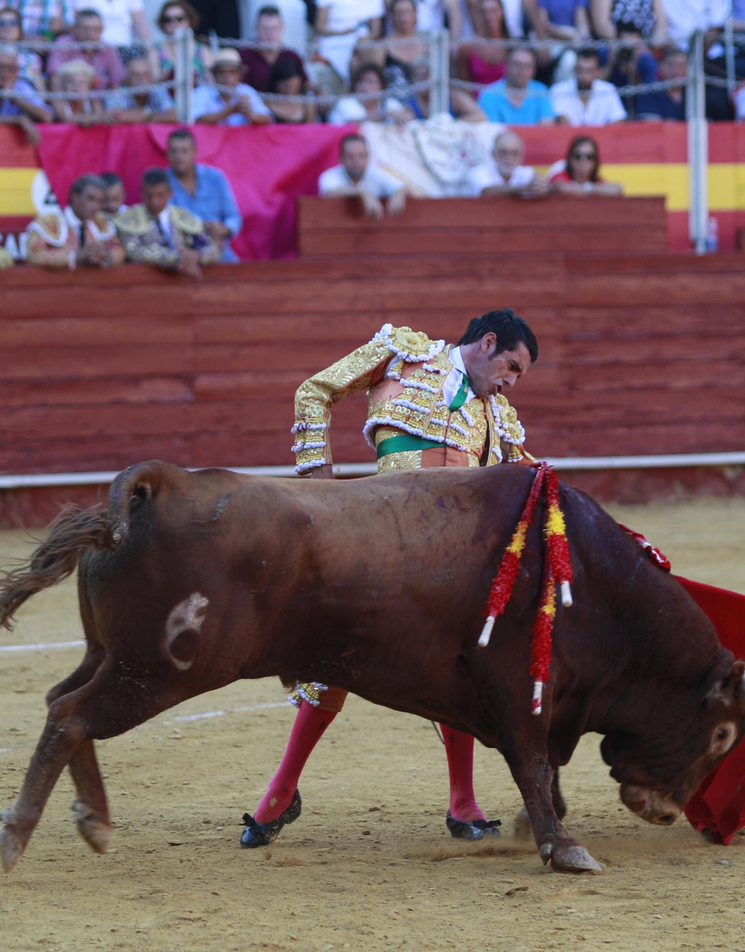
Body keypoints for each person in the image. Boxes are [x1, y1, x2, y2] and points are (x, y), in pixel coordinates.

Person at [241, 310, 539, 848]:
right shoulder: (403, 353)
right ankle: (279, 795)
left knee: (463, 662)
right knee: (333, 654)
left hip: (450, 558)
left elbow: (533, 484)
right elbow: (314, 391)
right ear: (488, 342)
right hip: (381, 539)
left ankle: (463, 803)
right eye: (511, 366)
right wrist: (320, 485)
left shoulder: (501, 418)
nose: (511, 383)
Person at [117, 167, 222, 278]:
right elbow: (132, 251)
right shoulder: (130, 218)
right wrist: (176, 258)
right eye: (149, 196)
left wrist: (196, 256)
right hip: (146, 282)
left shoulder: (183, 216)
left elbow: (214, 248)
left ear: (169, 193)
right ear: (142, 192)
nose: (154, 201)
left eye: (160, 195)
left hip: (184, 280)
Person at [164, 129, 242, 259]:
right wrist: (199, 229)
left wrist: (225, 229)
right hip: (181, 257)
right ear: (167, 154)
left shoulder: (215, 177)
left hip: (219, 253)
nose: (179, 156)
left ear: (195, 152)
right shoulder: (161, 184)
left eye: (184, 151)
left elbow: (233, 216)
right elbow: (160, 225)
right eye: (174, 151)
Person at [25, 174, 124, 269]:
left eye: (100, 201)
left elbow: (119, 251)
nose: (96, 206)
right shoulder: (50, 222)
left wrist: (106, 255)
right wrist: (75, 256)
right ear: (75, 196)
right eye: (90, 199)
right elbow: (33, 254)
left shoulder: (101, 223)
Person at [318, 132, 407, 218]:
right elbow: (329, 193)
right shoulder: (329, 175)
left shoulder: (375, 174)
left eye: (361, 156)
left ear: (367, 157)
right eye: (350, 156)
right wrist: (362, 192)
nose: (356, 161)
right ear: (341, 158)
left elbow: (400, 187)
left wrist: (398, 194)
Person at [192, 46, 274, 126]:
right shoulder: (202, 92)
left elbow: (268, 119)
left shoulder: (247, 91)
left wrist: (250, 114)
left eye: (232, 72)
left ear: (240, 75)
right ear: (214, 74)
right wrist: (231, 110)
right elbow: (197, 119)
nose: (226, 77)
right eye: (221, 72)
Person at [46, 8, 123, 90]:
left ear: (101, 30)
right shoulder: (63, 44)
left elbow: (116, 83)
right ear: (74, 29)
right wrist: (58, 102)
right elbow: (55, 78)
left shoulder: (108, 49)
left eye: (95, 29)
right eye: (85, 29)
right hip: (69, 100)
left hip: (101, 99)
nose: (90, 34)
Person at [477, 45, 554, 124]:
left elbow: (546, 127)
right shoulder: (489, 93)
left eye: (527, 66)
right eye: (517, 65)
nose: (522, 70)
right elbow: (491, 130)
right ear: (506, 66)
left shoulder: (541, 91)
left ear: (534, 70)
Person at [551, 47, 625, 125]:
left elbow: (618, 122)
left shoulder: (609, 90)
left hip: (603, 137)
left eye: (589, 71)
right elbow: (564, 125)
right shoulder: (559, 91)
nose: (584, 76)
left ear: (597, 71)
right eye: (580, 70)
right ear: (574, 70)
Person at [240, 5, 306, 90]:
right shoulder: (244, 55)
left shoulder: (292, 56)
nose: (270, 34)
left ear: (282, 28)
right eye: (264, 29)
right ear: (256, 29)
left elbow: (305, 86)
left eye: (274, 29)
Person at [327, 61, 413, 124]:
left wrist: (406, 116)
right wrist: (384, 115)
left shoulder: (391, 104)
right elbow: (352, 124)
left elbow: (407, 119)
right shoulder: (346, 103)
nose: (363, 86)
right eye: (360, 81)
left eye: (369, 82)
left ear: (381, 87)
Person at [470, 129, 549, 196]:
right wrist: (525, 188)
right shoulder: (478, 172)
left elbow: (544, 186)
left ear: (521, 156)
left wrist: (544, 187)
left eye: (514, 153)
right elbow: (486, 192)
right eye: (503, 152)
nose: (509, 158)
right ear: (493, 154)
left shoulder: (526, 172)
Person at [106, 52, 177, 124]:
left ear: (151, 78)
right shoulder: (118, 93)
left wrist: (146, 114)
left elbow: (173, 115)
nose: (141, 79)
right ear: (126, 79)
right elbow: (117, 117)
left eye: (145, 74)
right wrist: (149, 114)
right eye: (135, 75)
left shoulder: (157, 90)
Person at [0, 4, 42, 87]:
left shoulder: (31, 58)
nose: (7, 27)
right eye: (1, 23)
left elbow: (40, 93)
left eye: (13, 23)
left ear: (20, 28)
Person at [548, 133, 623, 194]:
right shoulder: (561, 176)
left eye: (589, 157)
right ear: (570, 159)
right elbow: (561, 188)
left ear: (595, 162)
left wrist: (585, 188)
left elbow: (617, 189)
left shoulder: (596, 181)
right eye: (578, 156)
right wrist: (591, 189)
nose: (583, 161)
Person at [262, 53, 314, 123]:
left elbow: (311, 129)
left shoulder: (306, 104)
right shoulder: (266, 103)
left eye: (293, 86)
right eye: (285, 86)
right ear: (276, 83)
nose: (289, 90)